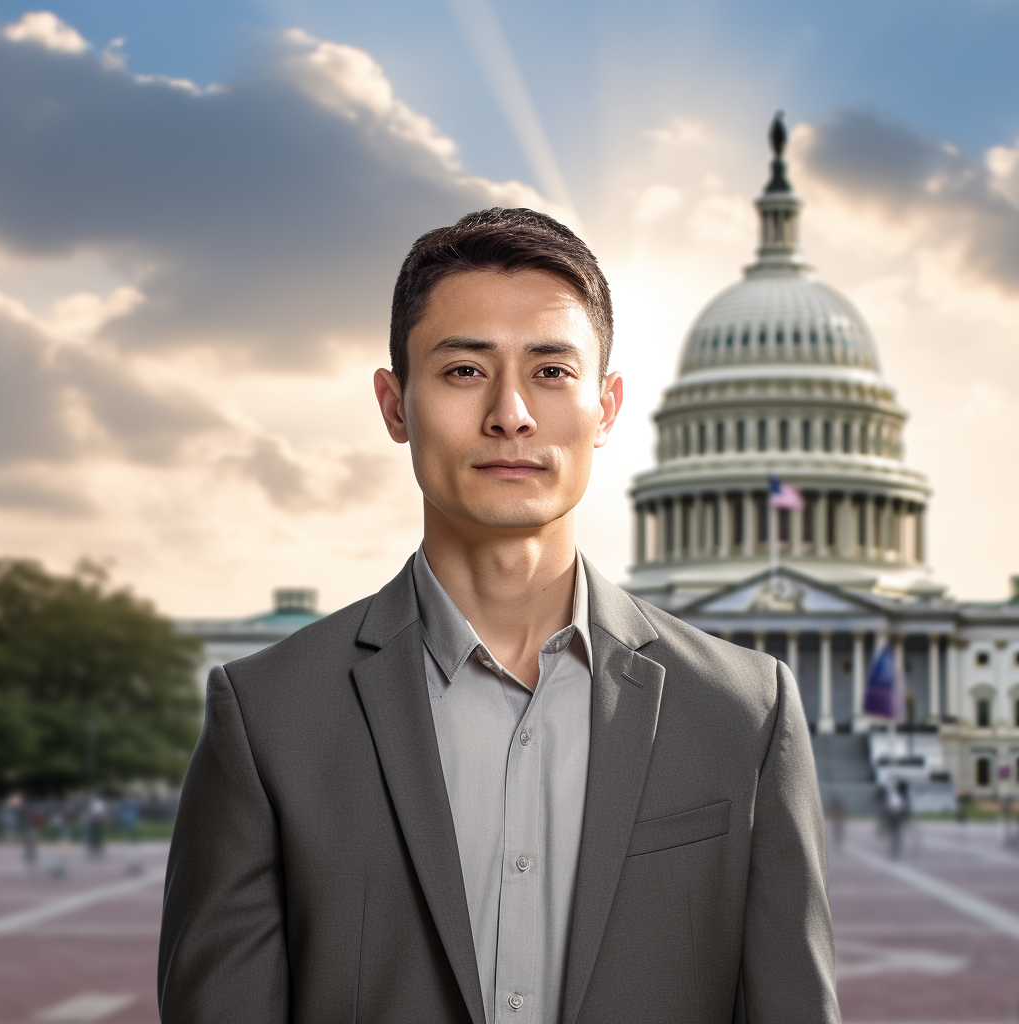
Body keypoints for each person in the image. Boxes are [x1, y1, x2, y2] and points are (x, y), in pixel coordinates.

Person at [159, 208, 838, 1023]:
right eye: (464, 371)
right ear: (393, 404)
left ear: (609, 406)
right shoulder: (269, 717)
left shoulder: (742, 712)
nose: (510, 414)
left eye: (551, 372)